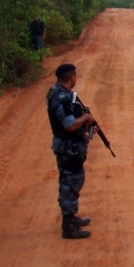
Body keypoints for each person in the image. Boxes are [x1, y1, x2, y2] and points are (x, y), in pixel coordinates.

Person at [46, 63, 96, 239]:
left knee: (73, 181)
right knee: (69, 183)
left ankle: (71, 218)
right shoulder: (61, 97)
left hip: (71, 146)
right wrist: (86, 118)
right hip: (68, 148)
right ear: (72, 77)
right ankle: (68, 226)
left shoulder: (58, 93)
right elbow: (70, 125)